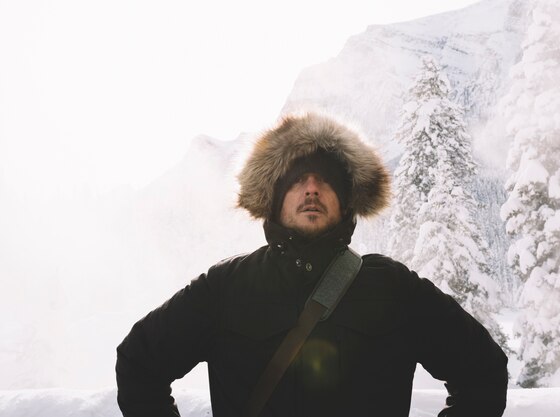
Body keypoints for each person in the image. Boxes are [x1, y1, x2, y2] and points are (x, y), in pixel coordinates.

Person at [116, 112, 508, 417]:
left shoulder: (393, 287)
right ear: (273, 197)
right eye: (296, 180)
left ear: (346, 200)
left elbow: (483, 370)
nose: (311, 188)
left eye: (327, 181)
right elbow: (139, 362)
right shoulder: (226, 287)